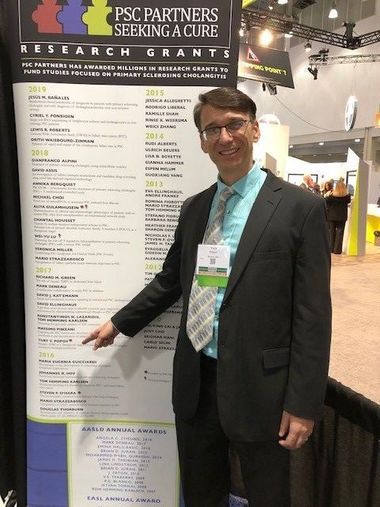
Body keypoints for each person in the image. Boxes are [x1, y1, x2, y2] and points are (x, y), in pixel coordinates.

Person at [83, 87, 332, 507]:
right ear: (201, 141)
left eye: (234, 125)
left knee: (269, 495)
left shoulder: (299, 208)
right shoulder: (195, 209)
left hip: (263, 388)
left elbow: (313, 316)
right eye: (212, 129)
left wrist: (303, 403)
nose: (224, 137)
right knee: (200, 494)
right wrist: (119, 323)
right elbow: (170, 281)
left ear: (253, 129)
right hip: (197, 383)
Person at [325, 178, 351, 254]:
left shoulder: (331, 197)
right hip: (342, 217)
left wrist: (327, 195)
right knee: (340, 233)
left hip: (331, 217)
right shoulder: (347, 197)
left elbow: (326, 202)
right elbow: (349, 201)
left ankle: (330, 249)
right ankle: (337, 250)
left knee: (331, 232)